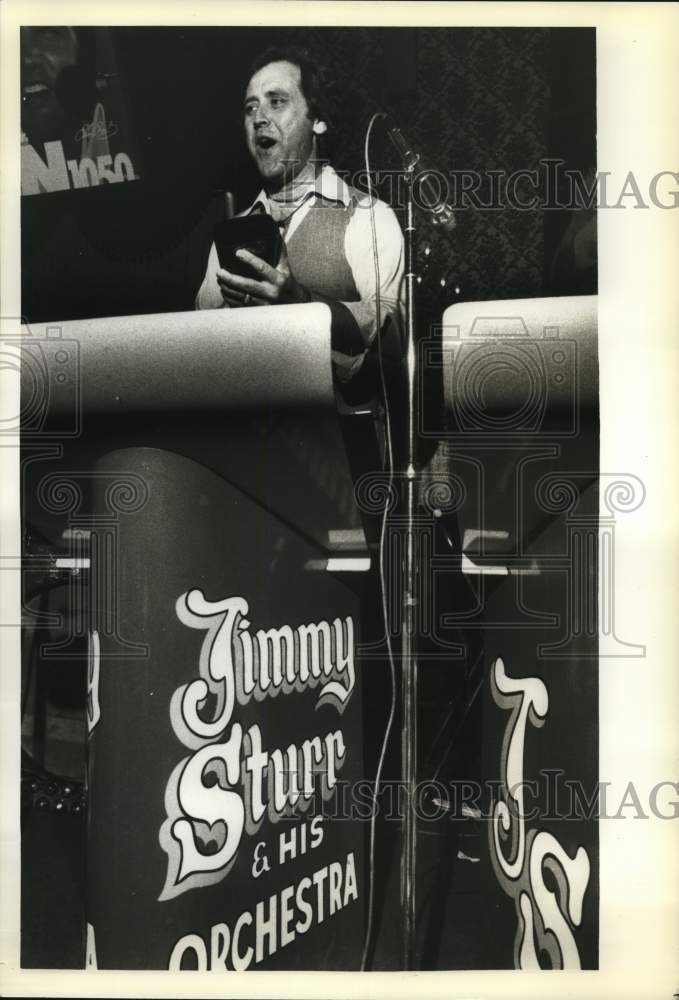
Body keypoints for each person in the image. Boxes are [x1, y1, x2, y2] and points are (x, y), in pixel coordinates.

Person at [195, 46, 404, 381]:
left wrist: (303, 304)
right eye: (251, 107)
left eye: (276, 101)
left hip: (338, 429)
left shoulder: (369, 216)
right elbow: (199, 348)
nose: (259, 117)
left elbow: (394, 341)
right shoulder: (233, 233)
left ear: (318, 120)